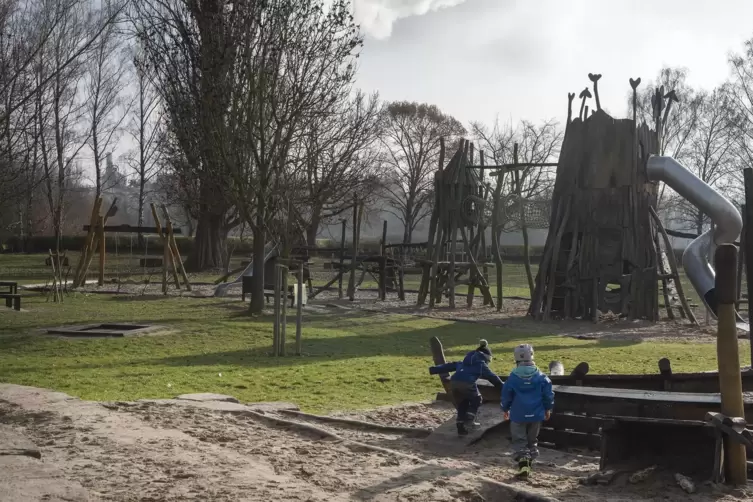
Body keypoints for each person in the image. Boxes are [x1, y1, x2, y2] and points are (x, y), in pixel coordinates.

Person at [429, 339, 503, 436]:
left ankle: (460, 425)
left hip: (454, 382)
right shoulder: (481, 364)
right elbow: (492, 377)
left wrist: (433, 370)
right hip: (467, 383)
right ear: (486, 358)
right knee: (477, 399)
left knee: (463, 402)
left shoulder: (463, 362)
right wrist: (502, 386)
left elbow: (449, 366)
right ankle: (470, 419)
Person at [501, 343, 554, 476]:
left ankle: (524, 465)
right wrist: (548, 409)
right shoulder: (541, 377)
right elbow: (548, 395)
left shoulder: (512, 378)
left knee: (519, 440)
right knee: (532, 439)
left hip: (518, 415)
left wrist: (505, 409)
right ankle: (530, 460)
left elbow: (506, 395)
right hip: (536, 414)